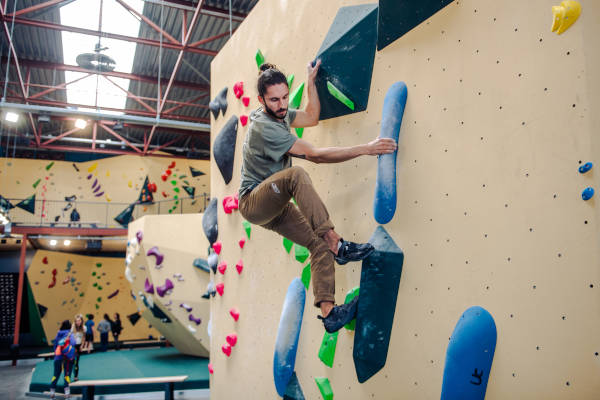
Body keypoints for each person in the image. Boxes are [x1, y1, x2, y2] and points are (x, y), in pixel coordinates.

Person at [238, 61, 397, 333]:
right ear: (261, 100)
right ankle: (337, 244)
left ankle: (330, 313)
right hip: (253, 201)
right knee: (297, 175)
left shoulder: (281, 114)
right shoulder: (265, 127)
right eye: (274, 100)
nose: (282, 104)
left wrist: (310, 82)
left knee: (316, 242)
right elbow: (315, 156)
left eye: (285, 97)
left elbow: (311, 116)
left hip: (275, 207)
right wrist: (366, 148)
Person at [49, 320, 76, 399]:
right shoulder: (69, 333)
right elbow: (73, 343)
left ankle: (52, 391)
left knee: (55, 374)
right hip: (67, 358)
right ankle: (67, 393)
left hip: (58, 357)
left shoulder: (58, 334)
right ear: (70, 326)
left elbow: (55, 345)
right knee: (67, 375)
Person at [70, 314, 86, 381]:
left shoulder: (84, 328)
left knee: (77, 361)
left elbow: (84, 337)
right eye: (76, 321)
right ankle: (69, 375)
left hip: (79, 345)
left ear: (81, 321)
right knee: (72, 361)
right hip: (73, 346)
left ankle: (76, 376)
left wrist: (82, 345)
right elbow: (70, 337)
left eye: (79, 321)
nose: (78, 322)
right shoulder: (73, 327)